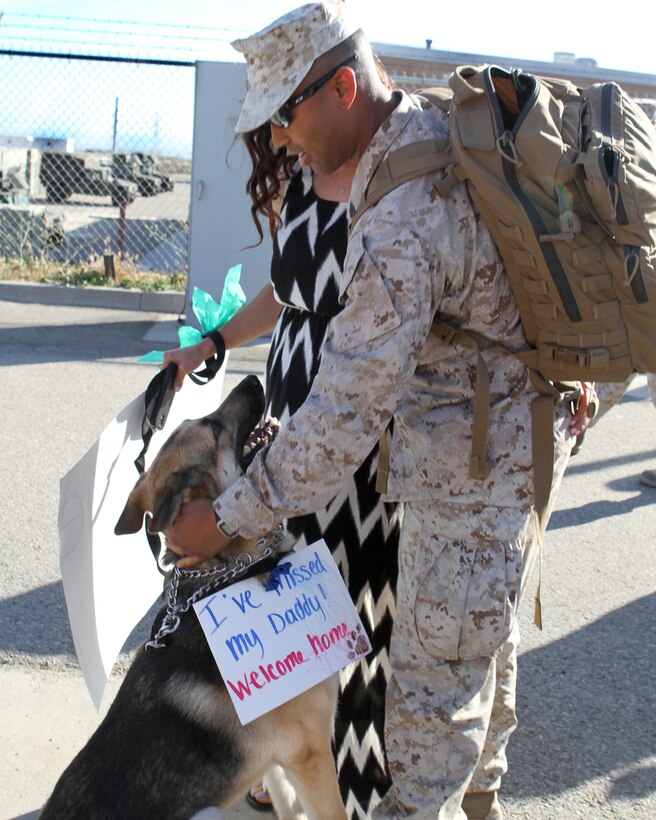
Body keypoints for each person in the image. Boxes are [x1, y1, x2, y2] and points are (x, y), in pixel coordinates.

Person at [163, 3, 592, 818]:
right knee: (476, 657)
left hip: (466, 473)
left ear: (344, 89)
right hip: (481, 450)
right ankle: (464, 798)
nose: (279, 137)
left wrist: (223, 519)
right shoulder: (421, 136)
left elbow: (344, 413)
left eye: (287, 113)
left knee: (427, 719)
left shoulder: (404, 207)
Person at [163, 123, 400, 816]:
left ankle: (353, 785)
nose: (281, 134)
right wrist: (212, 342)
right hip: (285, 424)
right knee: (282, 602)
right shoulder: (303, 176)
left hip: (357, 435)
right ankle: (279, 759)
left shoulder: (393, 180)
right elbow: (285, 289)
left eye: (289, 110)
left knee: (353, 618)